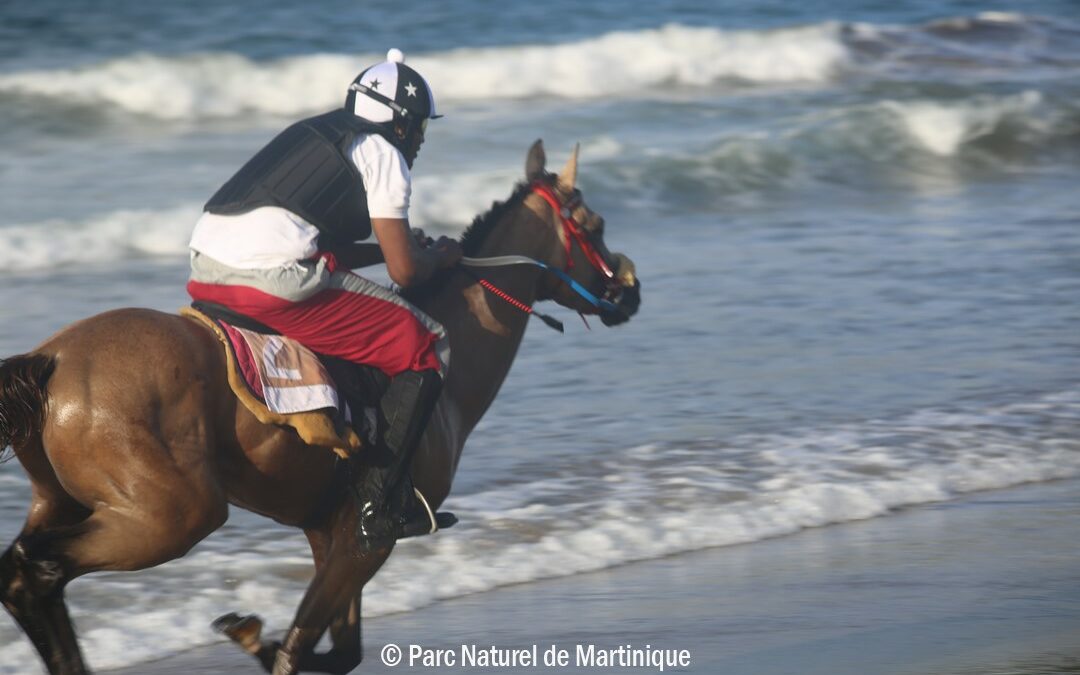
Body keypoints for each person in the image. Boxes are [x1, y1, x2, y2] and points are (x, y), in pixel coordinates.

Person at [186, 48, 462, 551]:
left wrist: (389, 248)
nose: (420, 139)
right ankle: (380, 506)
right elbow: (405, 272)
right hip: (271, 282)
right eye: (419, 127)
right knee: (429, 343)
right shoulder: (385, 155)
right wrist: (437, 260)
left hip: (206, 272)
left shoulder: (315, 133)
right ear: (400, 125)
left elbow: (317, 239)